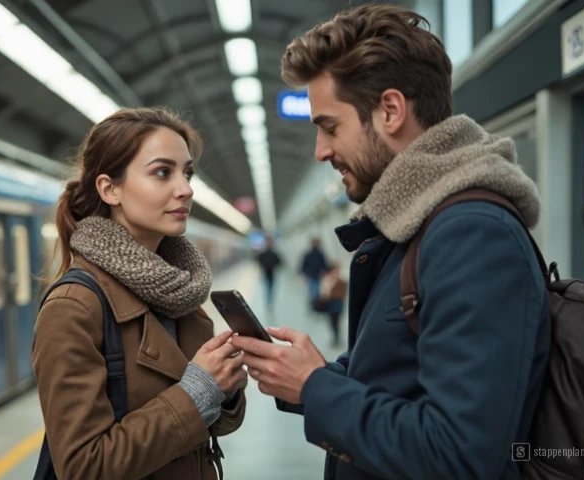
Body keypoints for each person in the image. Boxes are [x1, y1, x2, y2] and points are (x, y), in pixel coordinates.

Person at [231, 5, 550, 480]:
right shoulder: (418, 226)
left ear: (391, 110)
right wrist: (313, 375)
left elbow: (459, 456)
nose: (320, 150)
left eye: (330, 126)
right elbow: (403, 388)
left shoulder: (472, 236)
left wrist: (315, 387)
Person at [32, 107, 248, 480]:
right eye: (162, 172)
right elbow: (84, 467)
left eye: (187, 172)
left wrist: (224, 389)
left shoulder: (179, 290)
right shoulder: (73, 308)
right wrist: (199, 391)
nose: (186, 188)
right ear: (109, 188)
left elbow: (202, 432)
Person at [255, 234, 282, 309]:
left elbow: (279, 263)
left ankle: (270, 301)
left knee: (272, 288)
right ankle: (269, 301)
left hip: (272, 274)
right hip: (265, 274)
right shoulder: (263, 253)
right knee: (267, 288)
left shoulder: (274, 253)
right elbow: (258, 261)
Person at [300, 238, 329, 304]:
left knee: (317, 291)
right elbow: (304, 265)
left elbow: (324, 264)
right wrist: (305, 272)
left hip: (318, 275)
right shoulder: (308, 254)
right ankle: (313, 303)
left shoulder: (320, 254)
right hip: (311, 275)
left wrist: (326, 270)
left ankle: (316, 304)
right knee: (312, 290)